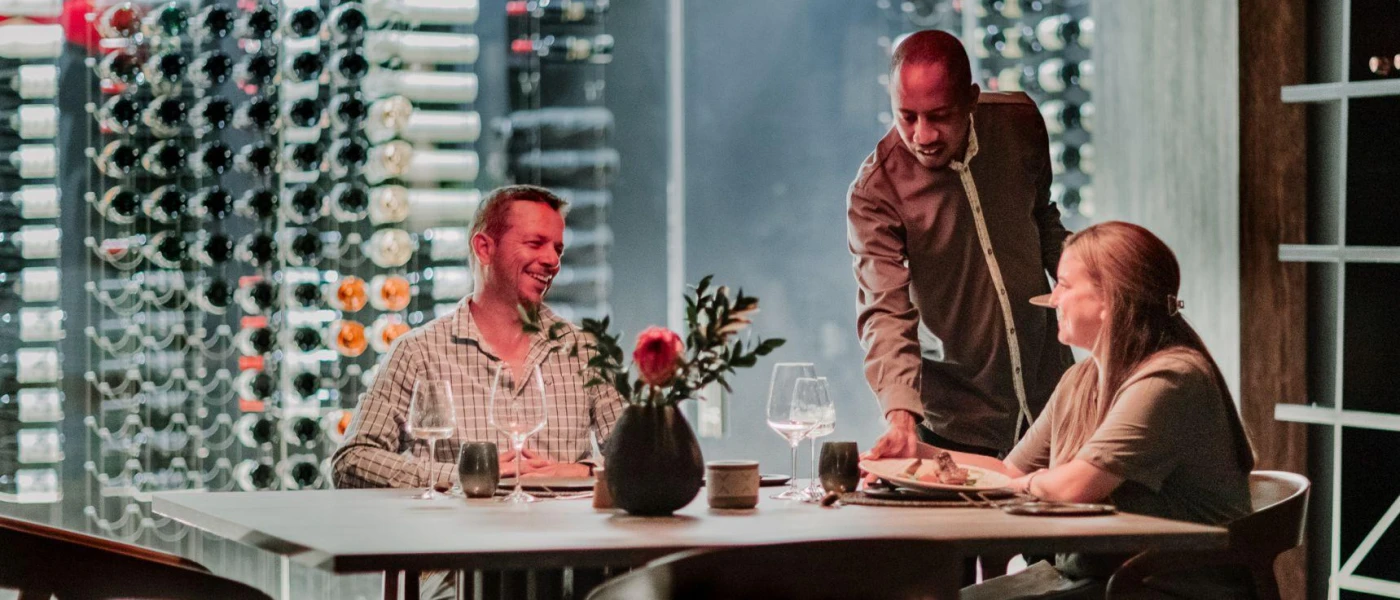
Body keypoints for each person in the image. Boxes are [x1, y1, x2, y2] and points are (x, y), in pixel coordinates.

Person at [908, 221, 1256, 598]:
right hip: (1100, 581)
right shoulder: (1079, 379)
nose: (1053, 298)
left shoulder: (1172, 379)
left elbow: (1074, 487)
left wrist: (1022, 485)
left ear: (1109, 298)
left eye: (1064, 285)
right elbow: (1008, 471)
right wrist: (917, 453)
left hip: (1160, 587)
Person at [848, 29, 1073, 466]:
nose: (923, 134)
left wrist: (1105, 292)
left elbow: (1043, 219)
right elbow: (885, 309)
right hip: (959, 426)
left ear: (972, 99)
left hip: (1057, 403)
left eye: (939, 116)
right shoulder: (875, 193)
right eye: (906, 116)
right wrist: (900, 416)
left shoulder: (1021, 122)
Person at [332, 184, 624, 490]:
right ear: (484, 248)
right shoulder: (418, 353)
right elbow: (352, 462)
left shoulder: (585, 351)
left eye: (558, 248)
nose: (553, 260)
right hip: (458, 537)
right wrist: (463, 475)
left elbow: (639, 460)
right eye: (536, 243)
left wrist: (582, 472)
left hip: (562, 538)